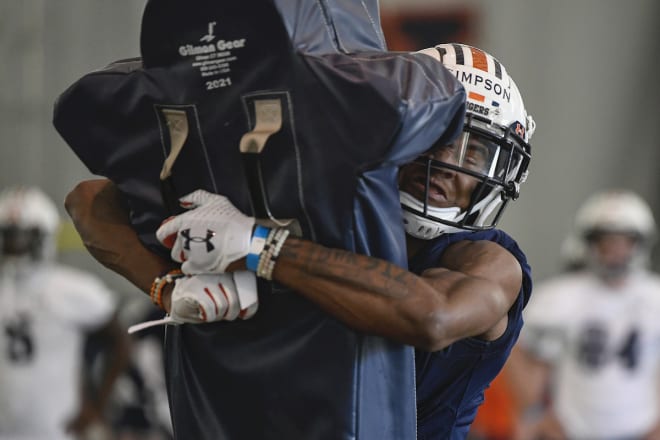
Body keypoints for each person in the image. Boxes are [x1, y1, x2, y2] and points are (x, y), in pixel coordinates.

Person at [65, 42, 536, 439]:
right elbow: (92, 201)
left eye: (472, 151)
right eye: (436, 136)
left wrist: (259, 246)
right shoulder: (322, 210)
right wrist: (169, 286)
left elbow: (431, 316)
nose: (445, 163)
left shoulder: (489, 261)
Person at [514, 189, 660, 440]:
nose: (614, 250)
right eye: (605, 240)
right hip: (573, 429)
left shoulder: (654, 295)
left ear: (640, 243)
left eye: (624, 240)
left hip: (640, 428)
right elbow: (521, 356)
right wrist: (535, 412)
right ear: (588, 242)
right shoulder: (559, 296)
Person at [0, 185, 130, 440]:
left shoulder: (72, 289)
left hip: (55, 426)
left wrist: (97, 408)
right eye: (9, 237)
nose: (16, 247)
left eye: (24, 238)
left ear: (43, 237)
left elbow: (122, 343)